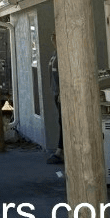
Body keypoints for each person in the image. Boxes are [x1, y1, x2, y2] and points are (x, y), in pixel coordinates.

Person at [47, 33, 64, 164]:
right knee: (60, 121)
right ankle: (61, 150)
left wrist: (62, 93)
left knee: (63, 121)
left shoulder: (63, 55)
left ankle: (60, 151)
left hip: (61, 93)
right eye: (52, 38)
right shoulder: (55, 54)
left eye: (55, 38)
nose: (53, 40)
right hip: (55, 92)